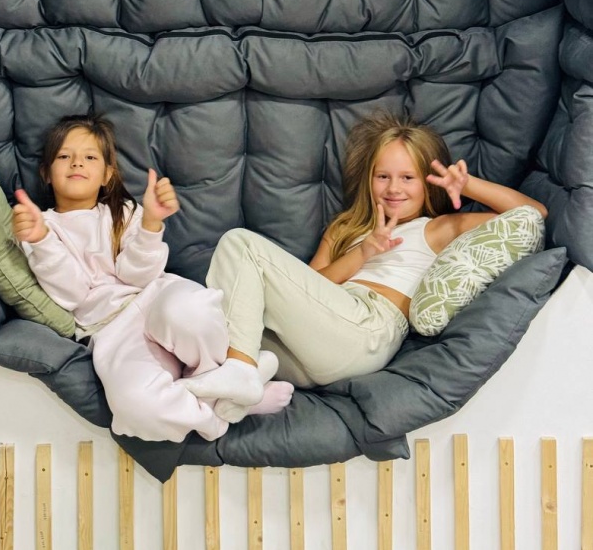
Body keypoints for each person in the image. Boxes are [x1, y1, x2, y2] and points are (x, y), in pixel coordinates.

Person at [182, 111, 548, 404]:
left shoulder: (435, 229)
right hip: (313, 352)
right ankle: (238, 391)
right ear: (368, 180)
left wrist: (468, 186)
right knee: (214, 325)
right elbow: (309, 288)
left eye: (408, 178)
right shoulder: (345, 229)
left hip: (368, 330)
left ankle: (241, 371)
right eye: (383, 176)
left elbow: (532, 214)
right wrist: (362, 251)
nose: (393, 188)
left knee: (240, 244)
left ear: (427, 183)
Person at [11, 113, 292, 443]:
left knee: (192, 311)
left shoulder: (125, 212)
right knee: (135, 406)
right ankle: (227, 405)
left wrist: (150, 225)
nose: (77, 163)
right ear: (46, 173)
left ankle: (229, 380)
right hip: (112, 330)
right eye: (63, 156)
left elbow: (139, 275)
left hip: (156, 297)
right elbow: (73, 294)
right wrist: (41, 239)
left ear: (107, 174)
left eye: (90, 157)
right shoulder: (40, 227)